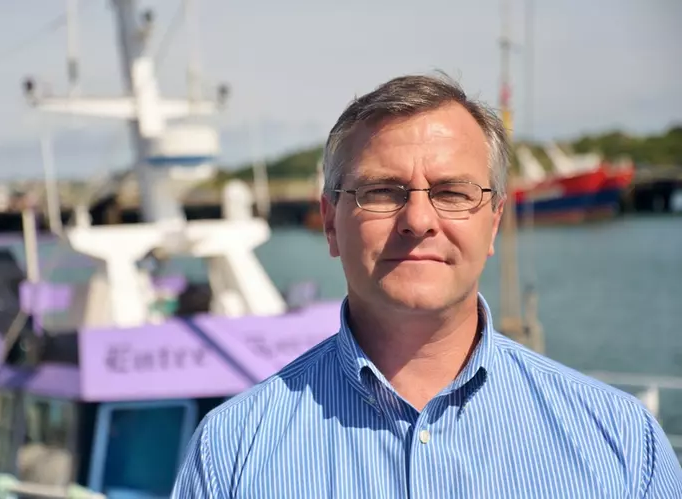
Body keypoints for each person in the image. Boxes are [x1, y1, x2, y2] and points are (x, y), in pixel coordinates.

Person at [171, 73, 682, 498]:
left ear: (494, 223)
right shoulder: (230, 455)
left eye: (453, 192)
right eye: (381, 191)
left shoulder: (621, 446)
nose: (418, 219)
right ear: (331, 223)